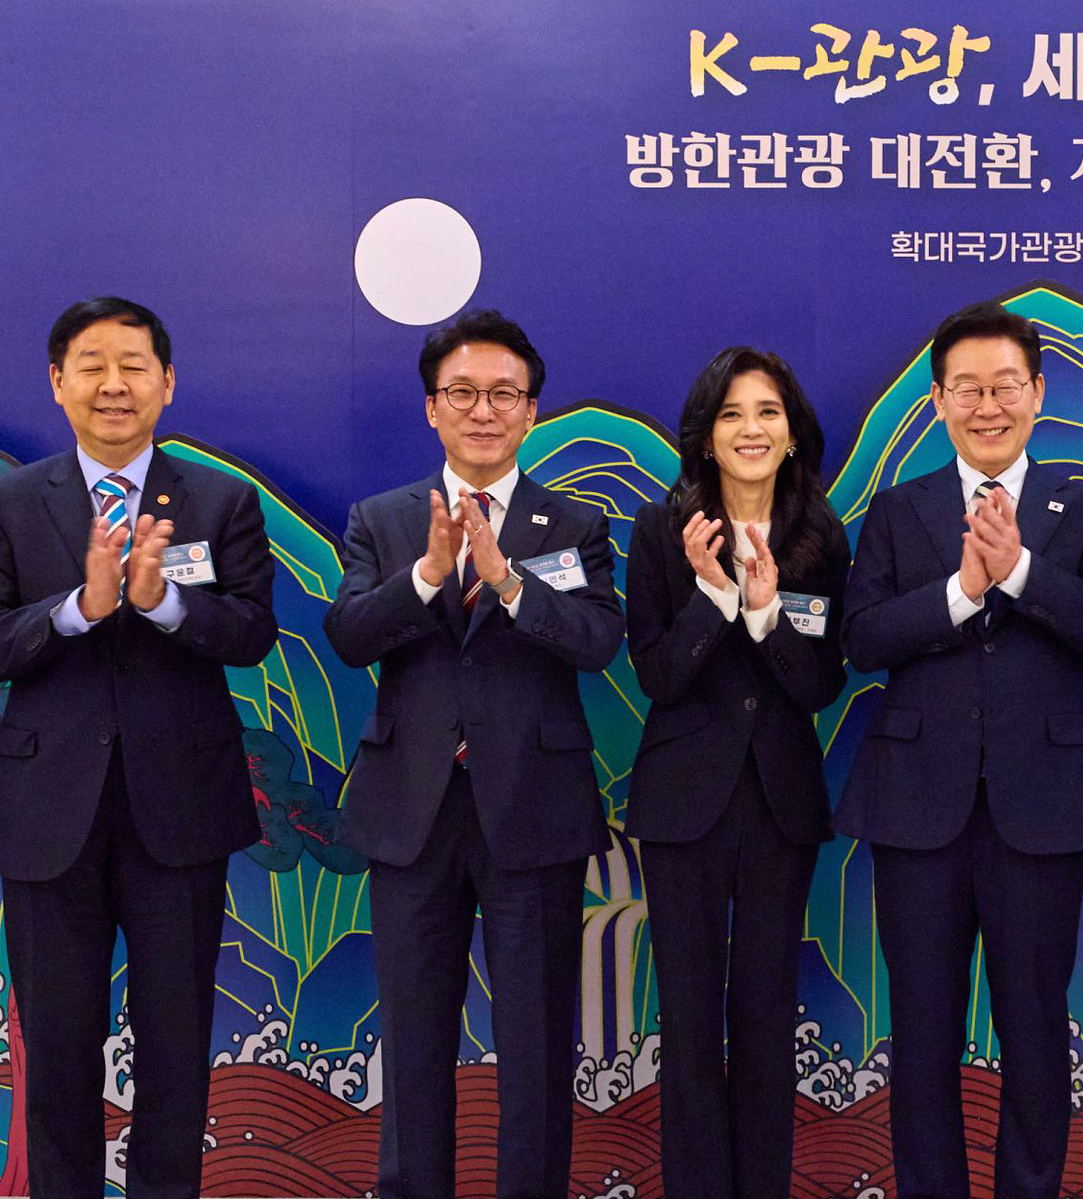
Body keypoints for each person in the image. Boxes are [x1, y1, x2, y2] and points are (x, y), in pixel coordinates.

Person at [323, 308, 621, 1199]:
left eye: (503, 394)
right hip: (412, 811)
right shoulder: (381, 520)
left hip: (532, 809)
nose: (483, 410)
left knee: (533, 1039)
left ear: (532, 410)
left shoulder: (575, 522)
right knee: (414, 1039)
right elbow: (347, 634)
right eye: (463, 393)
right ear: (431, 409)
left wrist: (504, 578)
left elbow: (597, 640)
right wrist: (425, 574)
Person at [836, 300, 1083, 1199]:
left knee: (1035, 1024)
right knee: (922, 1028)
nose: (988, 404)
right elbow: (863, 638)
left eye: (1006, 384)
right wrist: (963, 591)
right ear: (936, 401)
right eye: (967, 387)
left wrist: (1025, 575)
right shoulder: (897, 510)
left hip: (1042, 806)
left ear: (1039, 392)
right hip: (916, 806)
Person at [0, 297, 275, 1199]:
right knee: (57, 1046)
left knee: (174, 1041)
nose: (113, 384)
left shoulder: (221, 500)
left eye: (134, 365)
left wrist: (161, 604)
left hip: (180, 811)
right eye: (92, 364)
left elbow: (251, 634)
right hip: (48, 817)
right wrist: (80, 609)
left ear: (167, 383)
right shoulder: (11, 501)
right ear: (58, 382)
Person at [623, 346, 849, 1199]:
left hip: (782, 805)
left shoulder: (822, 539)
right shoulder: (658, 533)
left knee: (763, 1021)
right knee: (687, 1023)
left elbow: (819, 684)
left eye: (767, 412)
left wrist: (764, 611)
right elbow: (657, 675)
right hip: (683, 808)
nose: (751, 428)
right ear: (706, 436)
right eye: (731, 413)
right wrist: (714, 593)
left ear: (791, 433)